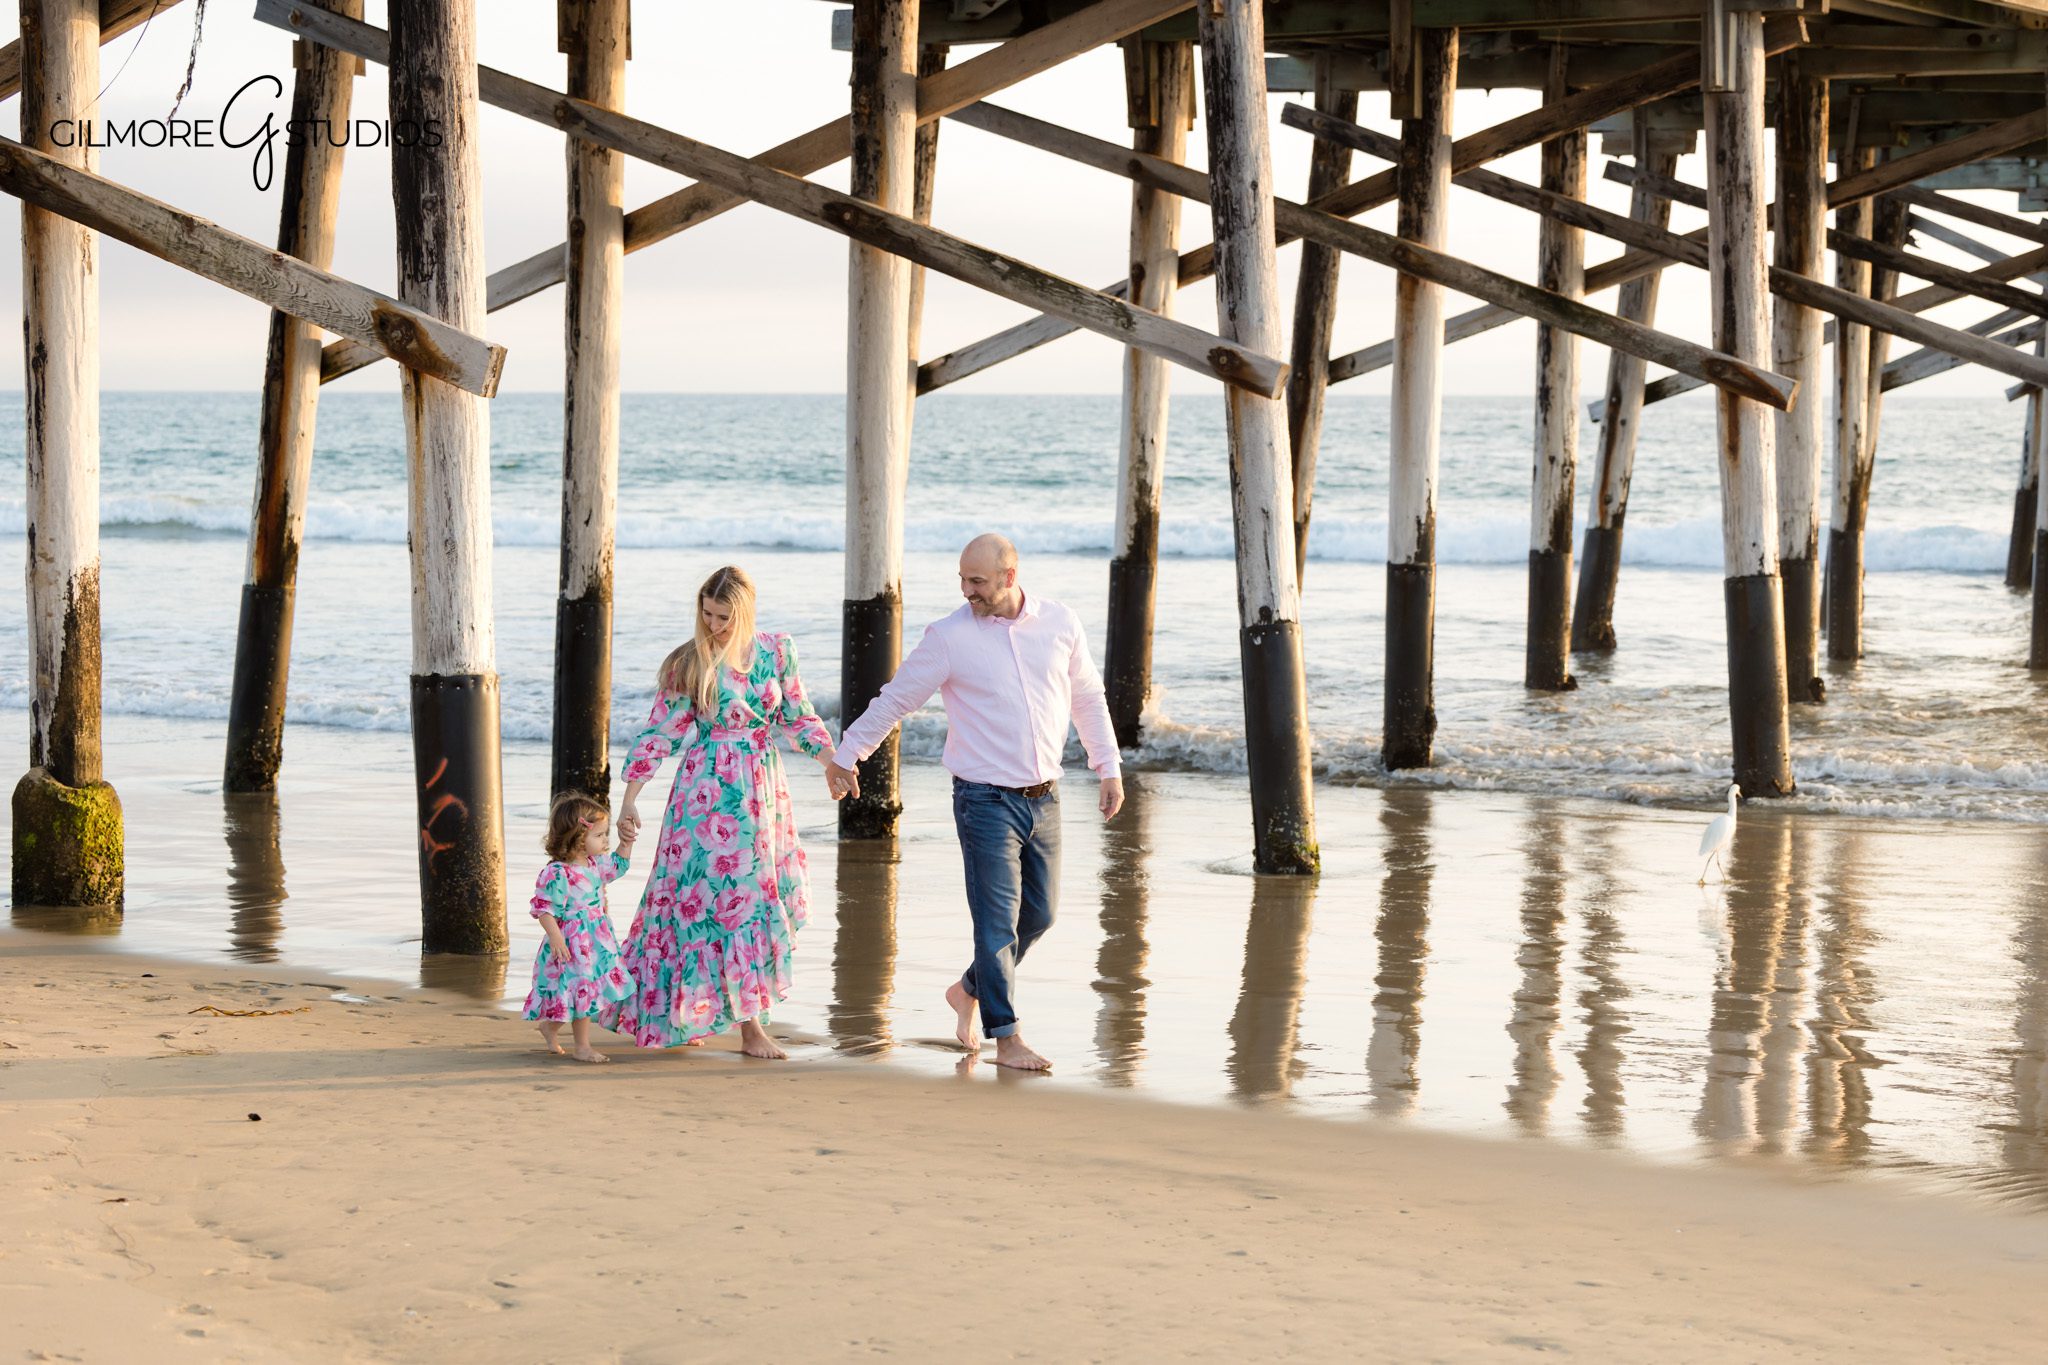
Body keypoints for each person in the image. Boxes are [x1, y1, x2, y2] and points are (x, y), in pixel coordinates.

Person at [828, 534, 1123, 1071]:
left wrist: (1109, 767)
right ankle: (1006, 1038)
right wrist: (847, 755)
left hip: (1045, 798)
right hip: (984, 801)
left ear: (1010, 577)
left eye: (978, 582)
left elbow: (1088, 697)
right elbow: (895, 699)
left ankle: (967, 989)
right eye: (963, 581)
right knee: (995, 922)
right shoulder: (948, 638)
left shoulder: (1061, 623)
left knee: (1042, 914)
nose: (968, 591)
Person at [602, 566, 843, 1059]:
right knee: (706, 903)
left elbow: (798, 717)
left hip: (762, 793)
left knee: (753, 901)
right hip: (704, 795)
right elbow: (659, 733)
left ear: (746, 612)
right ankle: (722, 1023)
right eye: (707, 614)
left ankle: (743, 1023)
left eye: (724, 617)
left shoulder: (777, 652)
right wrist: (628, 798)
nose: (714, 625)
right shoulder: (688, 662)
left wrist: (831, 764)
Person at [523, 791, 637, 1064]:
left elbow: (620, 865)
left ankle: (549, 1028)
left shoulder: (596, 865)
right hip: (573, 943)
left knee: (587, 990)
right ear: (577, 838)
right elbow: (543, 908)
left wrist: (626, 842)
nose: (604, 840)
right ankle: (583, 1046)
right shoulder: (557, 873)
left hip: (597, 941)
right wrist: (556, 938)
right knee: (583, 990)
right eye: (599, 835)